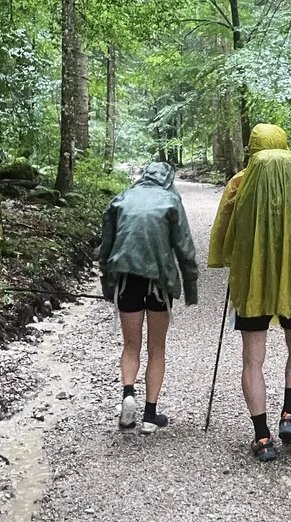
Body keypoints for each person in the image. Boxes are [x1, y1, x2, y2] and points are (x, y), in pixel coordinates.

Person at [209, 124, 291, 462]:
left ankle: (262, 436)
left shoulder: (240, 181)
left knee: (253, 359)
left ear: (253, 148)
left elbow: (224, 228)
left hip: (253, 279)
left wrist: (227, 256)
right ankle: (289, 414)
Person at [99, 161, 199, 434]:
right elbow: (185, 248)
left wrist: (107, 285)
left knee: (131, 345)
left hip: (127, 279)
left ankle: (128, 394)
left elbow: (106, 246)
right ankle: (149, 415)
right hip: (159, 282)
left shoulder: (122, 198)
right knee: (156, 348)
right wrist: (190, 289)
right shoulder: (171, 201)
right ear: (168, 180)